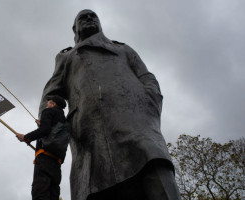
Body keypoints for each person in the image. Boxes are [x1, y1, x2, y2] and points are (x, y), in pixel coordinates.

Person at [37, 9, 181, 200]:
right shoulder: (67, 57)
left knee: (156, 169)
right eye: (83, 17)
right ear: (75, 28)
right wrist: (50, 128)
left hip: (139, 123)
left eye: (93, 16)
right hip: (91, 136)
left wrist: (149, 103)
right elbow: (51, 95)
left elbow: (147, 77)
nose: (89, 19)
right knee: (99, 187)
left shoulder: (123, 49)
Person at [16, 95, 67, 200]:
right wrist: (42, 125)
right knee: (53, 194)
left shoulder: (48, 111)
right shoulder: (63, 118)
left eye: (49, 102)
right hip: (56, 163)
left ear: (53, 104)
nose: (47, 104)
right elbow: (52, 131)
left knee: (40, 192)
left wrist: (26, 137)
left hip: (44, 159)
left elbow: (45, 130)